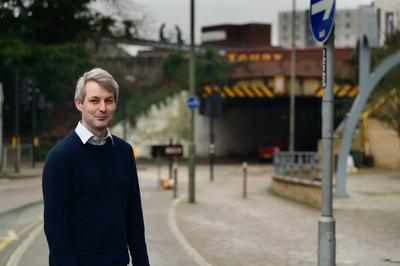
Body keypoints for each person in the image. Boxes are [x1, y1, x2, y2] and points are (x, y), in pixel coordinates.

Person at [42, 68, 150, 266]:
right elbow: (55, 227)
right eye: (94, 100)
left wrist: (142, 262)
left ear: (115, 104)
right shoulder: (60, 157)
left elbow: (134, 217)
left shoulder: (124, 152)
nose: (103, 108)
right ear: (79, 104)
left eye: (109, 100)